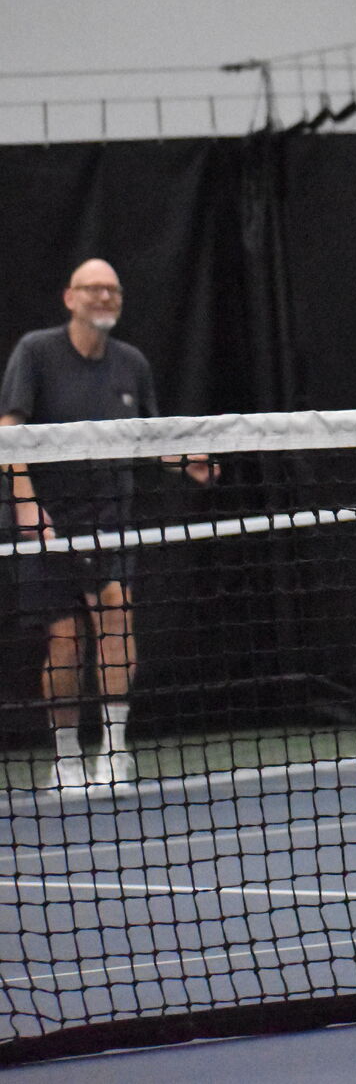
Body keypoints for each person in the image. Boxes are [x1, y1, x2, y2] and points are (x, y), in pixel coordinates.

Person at [1, 260, 208, 791]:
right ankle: (66, 757)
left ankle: (114, 752)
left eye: (113, 290)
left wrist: (185, 460)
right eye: (94, 289)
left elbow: (146, 436)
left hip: (111, 520)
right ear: (70, 297)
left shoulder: (131, 364)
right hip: (48, 524)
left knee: (116, 617)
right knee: (65, 639)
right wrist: (26, 505)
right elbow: (10, 434)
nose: (104, 297)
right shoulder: (35, 353)